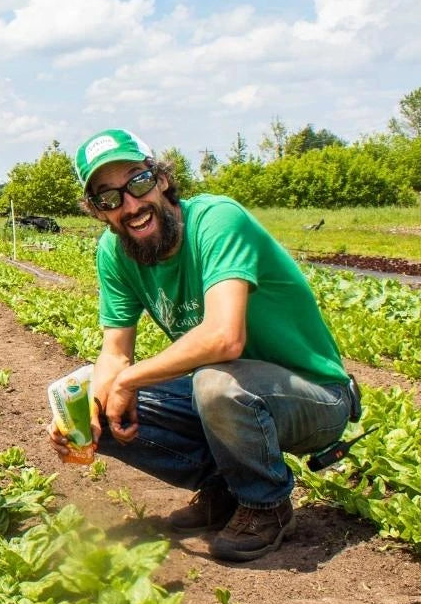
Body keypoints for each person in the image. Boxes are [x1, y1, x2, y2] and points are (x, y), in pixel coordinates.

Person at [50, 128, 358, 562]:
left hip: (315, 396)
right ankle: (225, 487)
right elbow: (114, 353)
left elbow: (223, 336)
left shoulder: (216, 220)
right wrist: (84, 417)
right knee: (85, 390)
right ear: (99, 212)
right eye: (109, 198)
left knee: (215, 383)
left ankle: (265, 503)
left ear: (161, 179)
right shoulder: (115, 252)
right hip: (229, 393)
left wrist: (129, 380)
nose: (131, 205)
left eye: (137, 182)